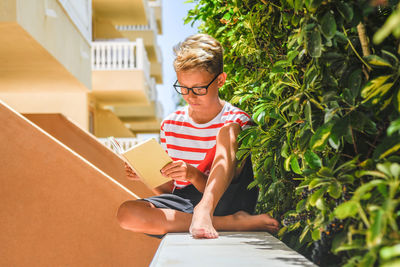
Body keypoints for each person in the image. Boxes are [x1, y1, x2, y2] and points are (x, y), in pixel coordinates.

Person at [117, 34, 279, 239]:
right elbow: (171, 191)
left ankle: (207, 213)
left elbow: (228, 185)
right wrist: (146, 174)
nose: (189, 96)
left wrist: (193, 175)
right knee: (127, 214)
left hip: (226, 199)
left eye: (198, 89)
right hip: (189, 206)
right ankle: (229, 223)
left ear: (220, 80)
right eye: (183, 88)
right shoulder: (170, 125)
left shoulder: (237, 119)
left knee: (229, 131)